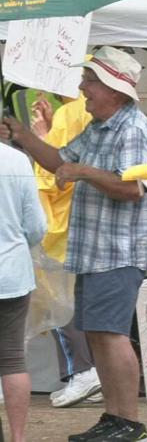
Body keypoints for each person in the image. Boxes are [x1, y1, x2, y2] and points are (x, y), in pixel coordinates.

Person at [1, 46, 147, 442]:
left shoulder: (133, 128)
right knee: (98, 333)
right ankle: (114, 419)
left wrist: (84, 172)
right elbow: (59, 160)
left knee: (110, 335)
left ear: (114, 88)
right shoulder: (100, 126)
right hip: (96, 251)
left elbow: (133, 187)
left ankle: (129, 423)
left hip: (120, 251)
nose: (82, 88)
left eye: (90, 81)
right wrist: (22, 135)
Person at [29, 92, 104, 408]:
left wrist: (40, 137)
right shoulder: (90, 115)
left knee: (60, 303)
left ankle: (82, 372)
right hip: (88, 219)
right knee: (81, 301)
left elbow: (52, 174)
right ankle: (89, 373)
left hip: (61, 226)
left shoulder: (70, 114)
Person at [0, 140, 47, 442]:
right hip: (11, 273)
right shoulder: (17, 161)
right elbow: (36, 227)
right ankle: (18, 437)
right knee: (12, 358)